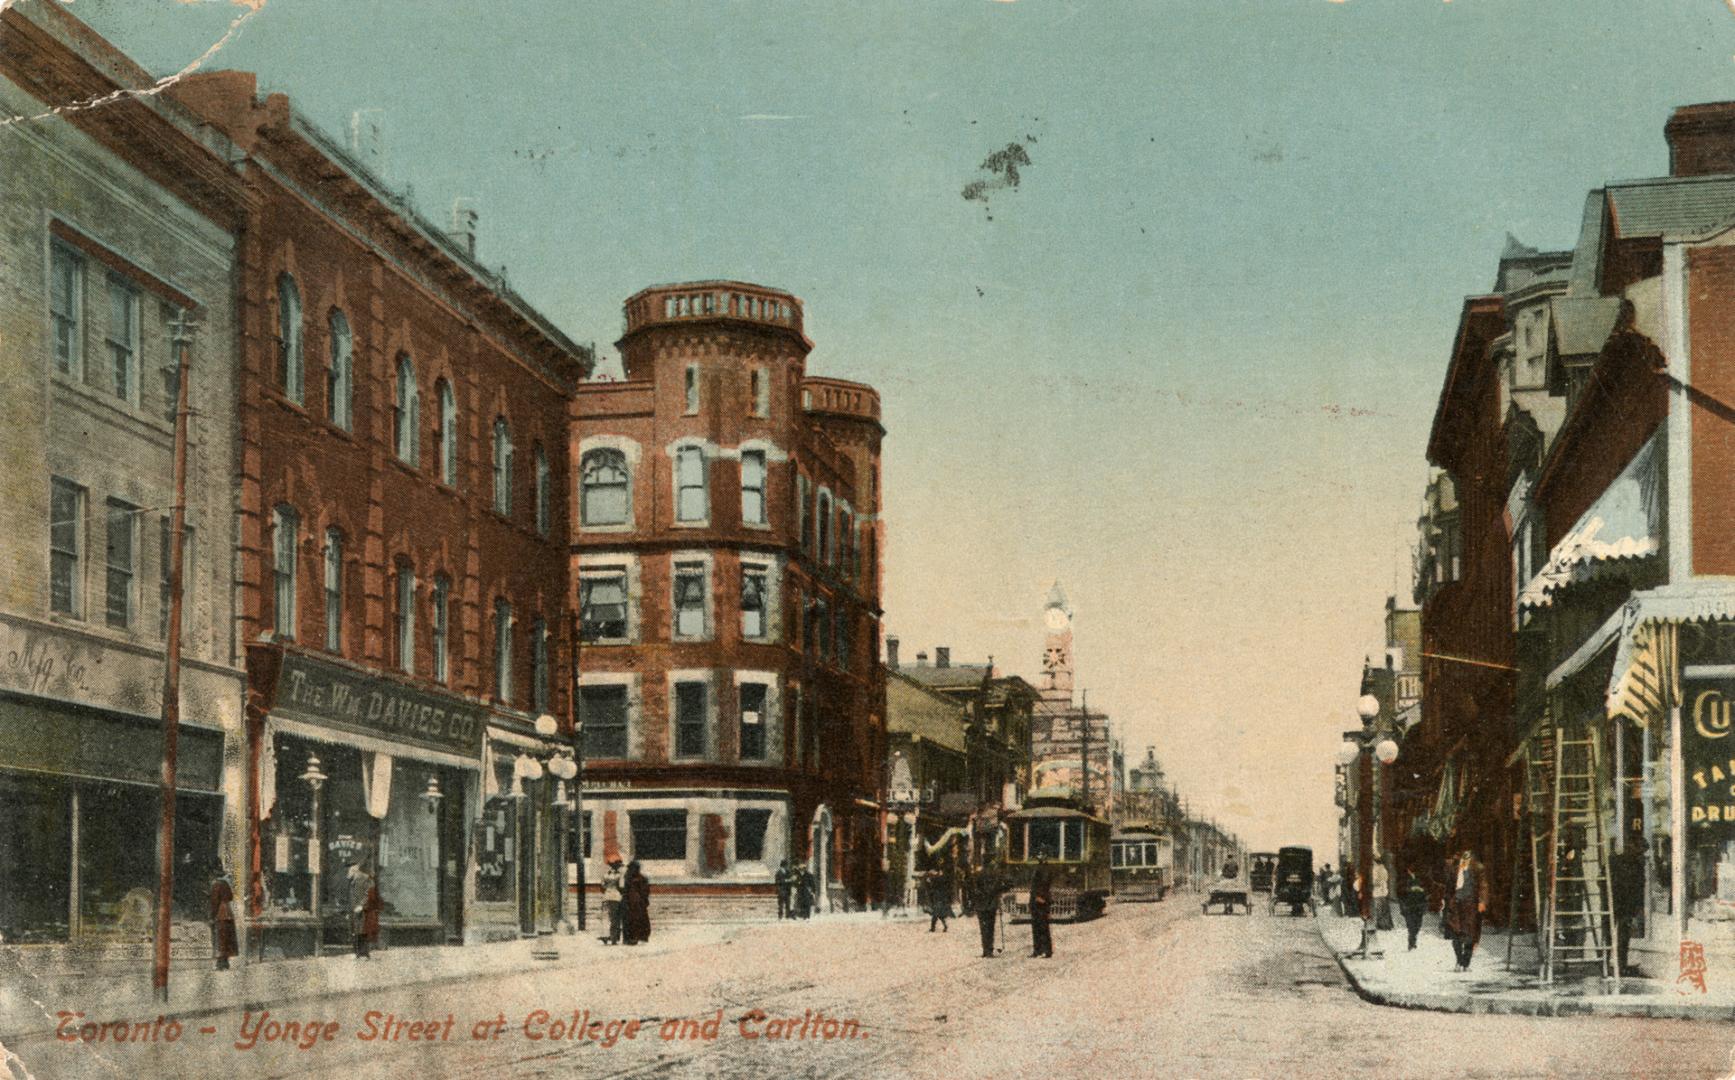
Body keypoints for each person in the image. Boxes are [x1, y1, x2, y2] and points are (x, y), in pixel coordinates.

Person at [1443, 849, 1488, 971]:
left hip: (1471, 907)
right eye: (1462, 860)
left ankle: (1466, 963)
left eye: (1466, 860)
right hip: (1456, 906)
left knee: (1470, 935)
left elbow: (1483, 886)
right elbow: (1448, 888)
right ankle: (1458, 961)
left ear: (1471, 860)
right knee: (1456, 933)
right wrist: (1445, 903)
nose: (1463, 862)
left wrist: (1482, 901)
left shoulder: (1478, 869)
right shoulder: (1454, 870)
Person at [1610, 843, 1645, 976]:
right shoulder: (1635, 866)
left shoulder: (1614, 861)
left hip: (1619, 905)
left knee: (1619, 937)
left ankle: (1615, 965)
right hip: (1622, 905)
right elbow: (1639, 889)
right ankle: (1620, 965)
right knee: (1621, 937)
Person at [970, 858, 1007, 958]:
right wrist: (998, 892)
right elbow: (1003, 886)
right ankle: (989, 950)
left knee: (983, 928)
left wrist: (974, 901)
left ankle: (985, 950)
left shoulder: (978, 874)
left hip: (981, 904)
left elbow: (973, 889)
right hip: (991, 904)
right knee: (990, 928)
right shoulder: (996, 874)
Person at [347, 860, 382, 959]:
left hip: (364, 910)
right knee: (355, 931)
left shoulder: (365, 878)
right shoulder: (352, 880)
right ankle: (357, 953)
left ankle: (365, 954)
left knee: (363, 931)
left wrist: (361, 906)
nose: (348, 871)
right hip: (354, 910)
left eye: (350, 868)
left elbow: (370, 894)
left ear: (355, 869)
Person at [209, 865, 238, 971]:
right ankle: (225, 962)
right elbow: (230, 897)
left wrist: (212, 916)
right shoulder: (226, 883)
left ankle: (220, 963)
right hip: (228, 912)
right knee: (227, 939)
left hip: (220, 913)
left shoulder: (216, 884)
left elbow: (214, 902)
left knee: (220, 939)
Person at [1029, 856, 1055, 958]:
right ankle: (1038, 950)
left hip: (1040, 901)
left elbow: (1044, 884)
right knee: (1037, 926)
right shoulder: (1041, 868)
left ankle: (1046, 950)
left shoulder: (1044, 869)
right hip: (1036, 900)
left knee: (1042, 926)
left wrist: (1039, 896)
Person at [1398, 866, 1429, 951]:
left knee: (1418, 925)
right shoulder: (1403, 877)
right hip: (1409, 905)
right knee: (1411, 925)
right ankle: (1411, 943)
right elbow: (1400, 890)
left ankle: (1413, 940)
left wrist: (1422, 889)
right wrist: (1410, 889)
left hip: (1419, 905)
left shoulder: (1422, 877)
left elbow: (1428, 889)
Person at [622, 861, 652, 945]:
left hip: (637, 903)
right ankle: (633, 937)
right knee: (633, 920)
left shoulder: (639, 878)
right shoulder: (629, 878)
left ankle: (636, 937)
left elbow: (645, 891)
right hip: (632, 902)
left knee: (637, 920)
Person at [600, 858, 626, 945]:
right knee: (615, 918)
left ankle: (605, 935)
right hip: (616, 897)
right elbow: (621, 887)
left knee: (606, 917)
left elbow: (602, 887)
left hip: (606, 896)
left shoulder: (605, 874)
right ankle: (613, 938)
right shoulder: (619, 876)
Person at [1373, 858, 1393, 932]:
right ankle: (1387, 925)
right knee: (1384, 909)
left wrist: (1372, 884)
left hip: (1378, 892)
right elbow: (1385, 879)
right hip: (1384, 891)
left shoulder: (1377, 870)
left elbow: (1376, 881)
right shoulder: (1384, 869)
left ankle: (1381, 925)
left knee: (1379, 909)